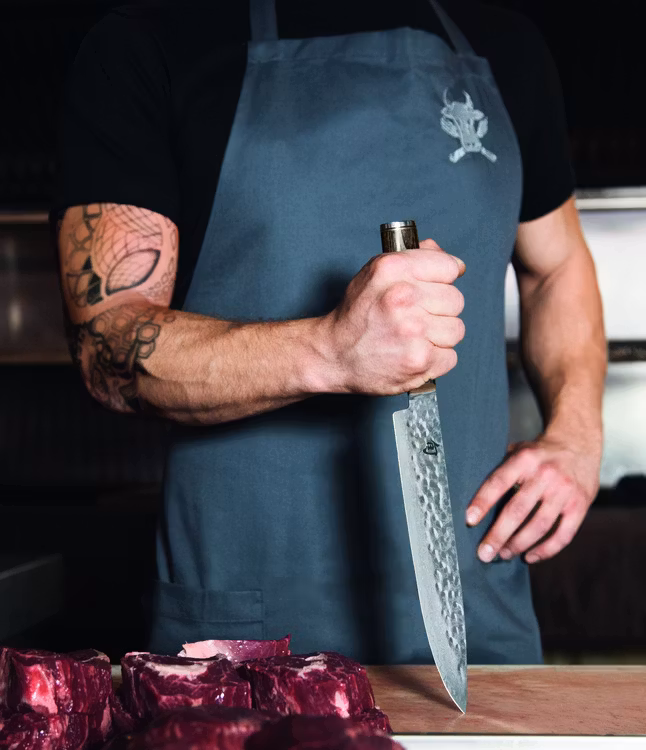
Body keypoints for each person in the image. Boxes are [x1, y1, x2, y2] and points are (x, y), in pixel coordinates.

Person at [54, 0, 606, 664]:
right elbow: (107, 344)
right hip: (246, 631)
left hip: (473, 604)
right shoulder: (150, 40)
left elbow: (556, 267)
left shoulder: (503, 42)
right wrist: (331, 351)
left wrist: (578, 436)